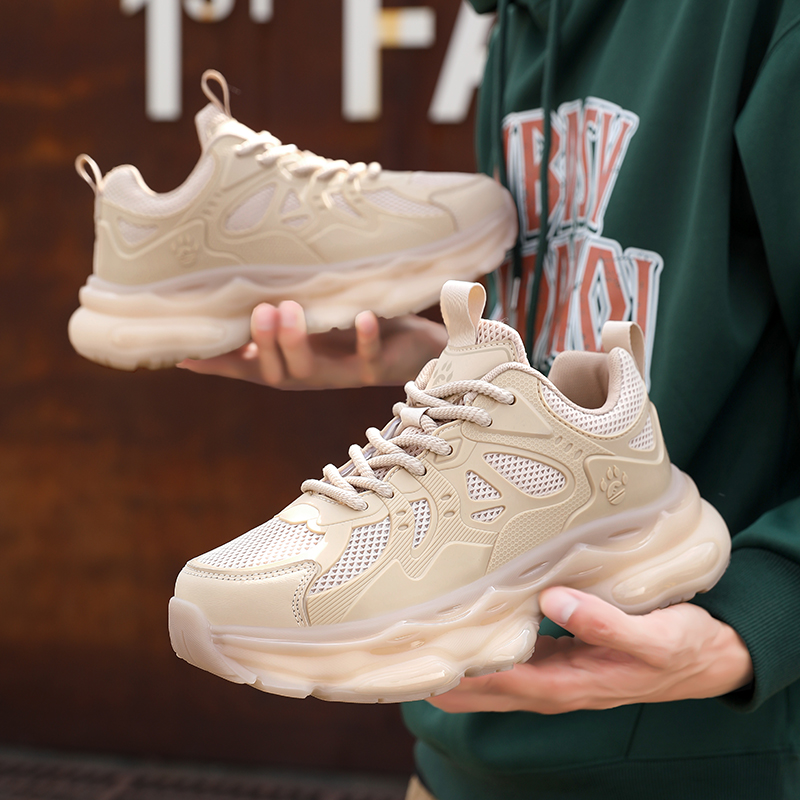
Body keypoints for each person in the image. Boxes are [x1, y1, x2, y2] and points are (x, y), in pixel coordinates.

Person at [180, 0, 800, 796]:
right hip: (459, 760)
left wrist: (755, 621)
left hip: (717, 766)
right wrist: (435, 362)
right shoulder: (517, 23)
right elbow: (583, 346)